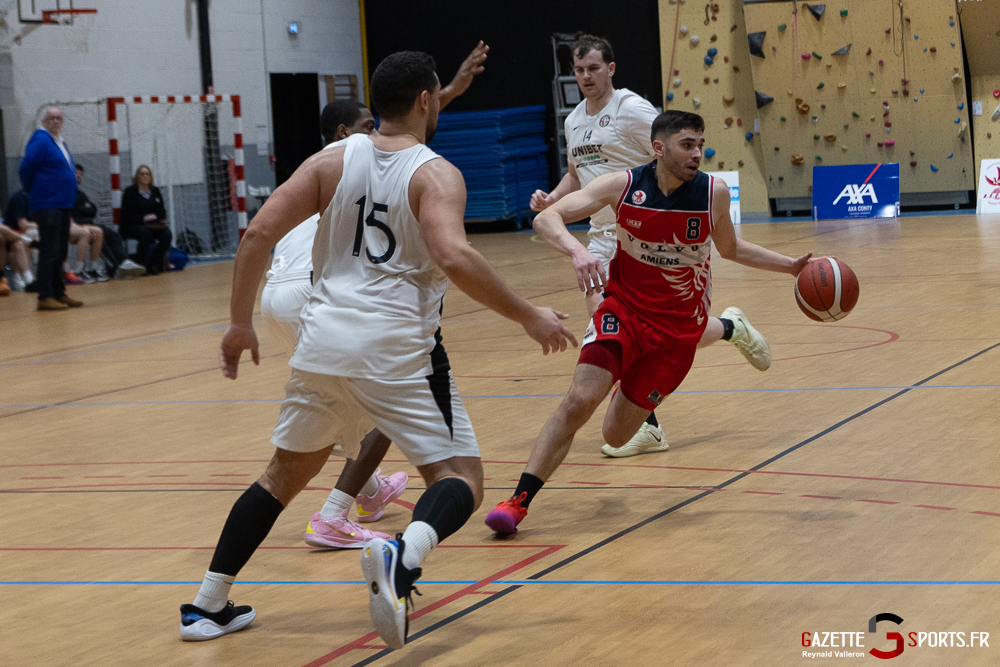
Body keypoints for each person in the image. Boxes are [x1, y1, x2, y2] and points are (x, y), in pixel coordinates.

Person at [178, 50, 574, 648]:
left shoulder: (330, 159)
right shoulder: (435, 173)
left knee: (281, 475)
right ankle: (401, 554)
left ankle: (207, 605)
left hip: (321, 344)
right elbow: (454, 255)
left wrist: (239, 324)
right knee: (461, 476)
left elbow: (258, 232)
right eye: (438, 94)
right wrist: (528, 315)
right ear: (424, 101)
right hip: (395, 349)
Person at [486, 110, 812, 536]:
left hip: (676, 335)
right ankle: (517, 502)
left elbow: (730, 249)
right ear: (659, 148)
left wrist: (790, 267)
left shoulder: (712, 193)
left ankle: (722, 328)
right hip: (623, 310)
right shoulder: (623, 185)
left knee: (616, 436)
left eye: (700, 144)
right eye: (687, 145)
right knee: (579, 400)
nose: (697, 153)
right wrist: (578, 252)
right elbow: (547, 218)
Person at [261, 42, 489, 549]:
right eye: (365, 123)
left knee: (343, 399)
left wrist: (447, 90)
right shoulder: (355, 155)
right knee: (386, 389)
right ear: (346, 132)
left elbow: (404, 129)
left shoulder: (337, 156)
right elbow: (403, 137)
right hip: (324, 287)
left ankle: (364, 490)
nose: (374, 128)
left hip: (281, 292)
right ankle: (338, 512)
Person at [531, 35, 771, 458]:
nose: (585, 77)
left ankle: (647, 426)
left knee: (620, 325)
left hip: (638, 230)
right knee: (627, 331)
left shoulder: (633, 111)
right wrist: (554, 200)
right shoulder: (574, 121)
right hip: (598, 235)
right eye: (578, 69)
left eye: (592, 68)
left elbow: (673, 154)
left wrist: (668, 209)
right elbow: (578, 174)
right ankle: (729, 329)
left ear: (611, 68)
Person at [19, 107, 82, 311]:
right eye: (51, 118)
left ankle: (58, 292)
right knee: (50, 250)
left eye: (59, 118)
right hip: (48, 204)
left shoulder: (59, 142)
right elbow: (26, 167)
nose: (55, 121)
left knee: (60, 251)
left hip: (62, 204)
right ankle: (44, 295)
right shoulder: (41, 139)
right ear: (44, 121)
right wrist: (31, 190)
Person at [120, 165, 173, 275]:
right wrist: (143, 218)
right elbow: (126, 213)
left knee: (167, 234)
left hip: (153, 225)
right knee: (145, 233)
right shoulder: (130, 192)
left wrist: (161, 219)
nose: (145, 176)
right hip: (133, 224)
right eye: (142, 174)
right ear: (137, 177)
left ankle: (155, 262)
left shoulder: (155, 191)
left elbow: (161, 210)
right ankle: (142, 265)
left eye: (147, 174)